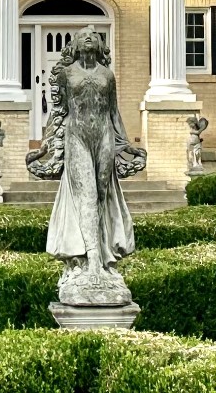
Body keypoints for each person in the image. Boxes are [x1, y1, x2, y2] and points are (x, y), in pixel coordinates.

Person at [26, 30, 145, 305]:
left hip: (103, 136)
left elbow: (114, 112)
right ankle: (91, 263)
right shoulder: (67, 74)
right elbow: (58, 112)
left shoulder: (108, 75)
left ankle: (102, 256)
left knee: (101, 197)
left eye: (93, 35)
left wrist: (125, 145)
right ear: (75, 45)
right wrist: (46, 146)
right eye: (83, 36)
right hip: (76, 136)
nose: (88, 37)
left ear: (100, 44)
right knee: (86, 196)